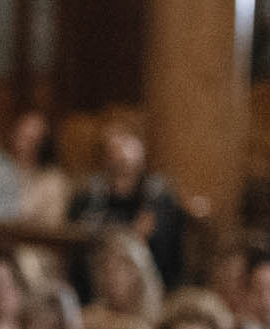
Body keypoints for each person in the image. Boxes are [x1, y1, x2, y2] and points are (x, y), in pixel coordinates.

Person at [69, 120, 185, 286]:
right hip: (95, 281)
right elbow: (78, 235)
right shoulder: (88, 195)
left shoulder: (157, 197)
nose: (121, 154)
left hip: (149, 283)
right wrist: (131, 232)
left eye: (126, 145)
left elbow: (165, 250)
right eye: (114, 149)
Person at [0, 109, 71, 227]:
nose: (26, 142)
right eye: (22, 135)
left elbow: (52, 224)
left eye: (32, 138)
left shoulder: (53, 181)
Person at [80, 226, 165, 329]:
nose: (114, 277)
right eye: (108, 269)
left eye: (123, 267)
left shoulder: (159, 320)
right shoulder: (89, 320)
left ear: (139, 272)